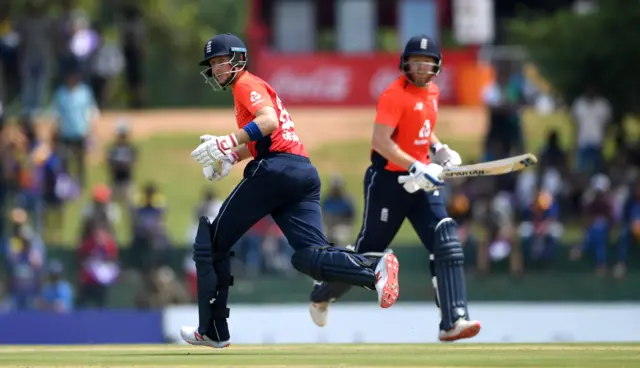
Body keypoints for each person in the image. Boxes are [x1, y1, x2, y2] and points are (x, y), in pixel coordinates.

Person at [181, 33, 403, 349]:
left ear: (239, 58)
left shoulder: (246, 84)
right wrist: (231, 155)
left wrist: (227, 141)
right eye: (214, 64)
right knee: (308, 256)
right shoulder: (249, 88)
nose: (217, 68)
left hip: (277, 170)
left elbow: (269, 122)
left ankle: (213, 331)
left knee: (210, 242)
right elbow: (266, 138)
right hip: (302, 172)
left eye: (222, 60)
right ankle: (374, 271)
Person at [308, 35, 481, 342]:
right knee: (367, 255)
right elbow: (381, 142)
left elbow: (422, 127)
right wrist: (415, 165)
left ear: (436, 67)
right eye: (416, 63)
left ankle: (453, 320)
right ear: (406, 64)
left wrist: (440, 149)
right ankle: (322, 293)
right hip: (389, 182)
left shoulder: (433, 92)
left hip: (423, 183)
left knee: (447, 241)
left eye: (427, 64)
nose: (421, 69)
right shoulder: (393, 95)